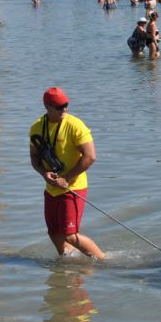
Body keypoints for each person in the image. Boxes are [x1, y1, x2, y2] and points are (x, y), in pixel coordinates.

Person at [29, 87, 106, 260]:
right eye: (59, 107)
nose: (64, 109)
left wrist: (67, 178)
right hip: (51, 189)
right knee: (54, 233)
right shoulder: (36, 127)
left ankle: (104, 261)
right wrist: (44, 174)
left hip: (73, 187)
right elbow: (34, 158)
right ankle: (69, 266)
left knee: (70, 235)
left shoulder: (75, 125)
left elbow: (90, 157)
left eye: (66, 105)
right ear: (48, 107)